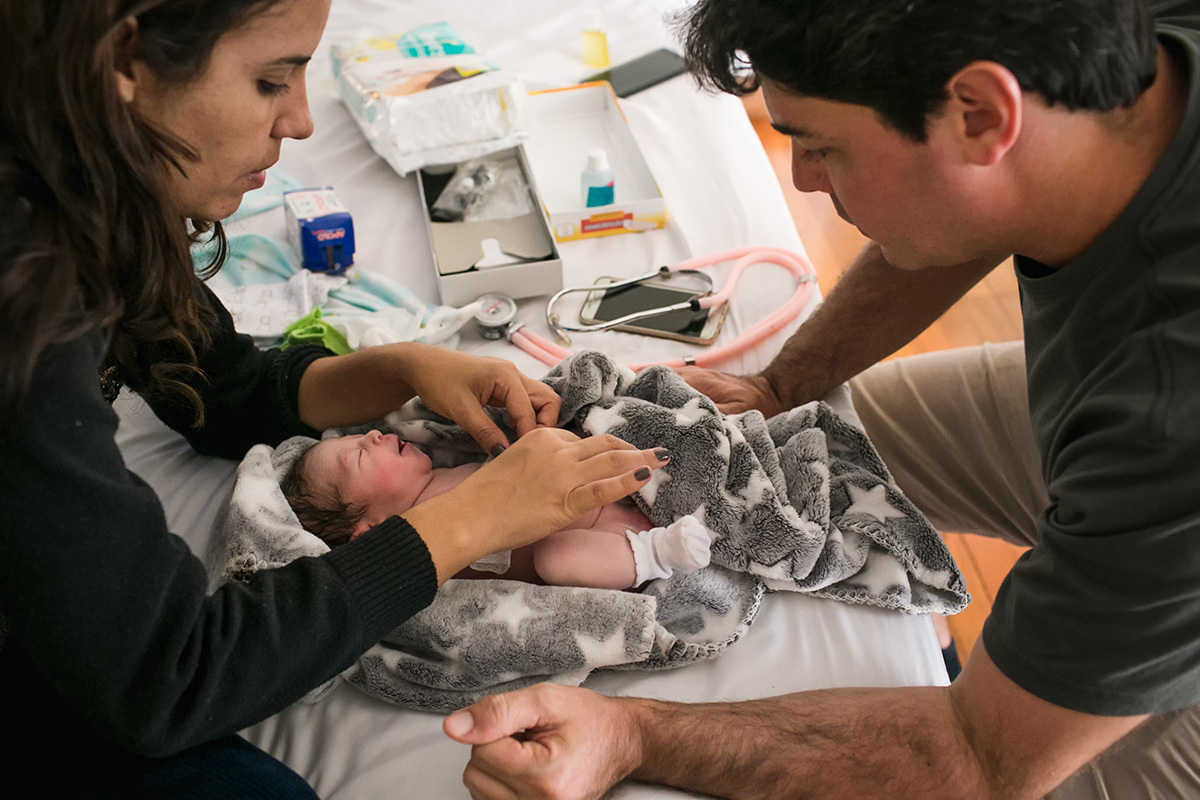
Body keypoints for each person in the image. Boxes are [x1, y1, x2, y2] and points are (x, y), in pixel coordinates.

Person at [438, 1, 1200, 798]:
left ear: (980, 115)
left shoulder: (1162, 424)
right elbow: (966, 200)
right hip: (1118, 415)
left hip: (1157, 450)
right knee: (802, 456)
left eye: (822, 146)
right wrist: (781, 386)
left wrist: (631, 734)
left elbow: (974, 760)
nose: (802, 176)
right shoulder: (1113, 64)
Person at [0, 0, 667, 795]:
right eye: (270, 80)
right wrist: (475, 518)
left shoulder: (96, 194)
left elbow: (225, 391)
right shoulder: (24, 306)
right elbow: (168, 678)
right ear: (125, 60)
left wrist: (404, 368)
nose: (302, 121)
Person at [282, 430, 711, 589]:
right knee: (556, 558)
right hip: (603, 545)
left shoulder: (443, 470)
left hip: (602, 493)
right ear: (368, 529)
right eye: (358, 454)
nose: (374, 435)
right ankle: (658, 554)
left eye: (359, 434)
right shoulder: (422, 533)